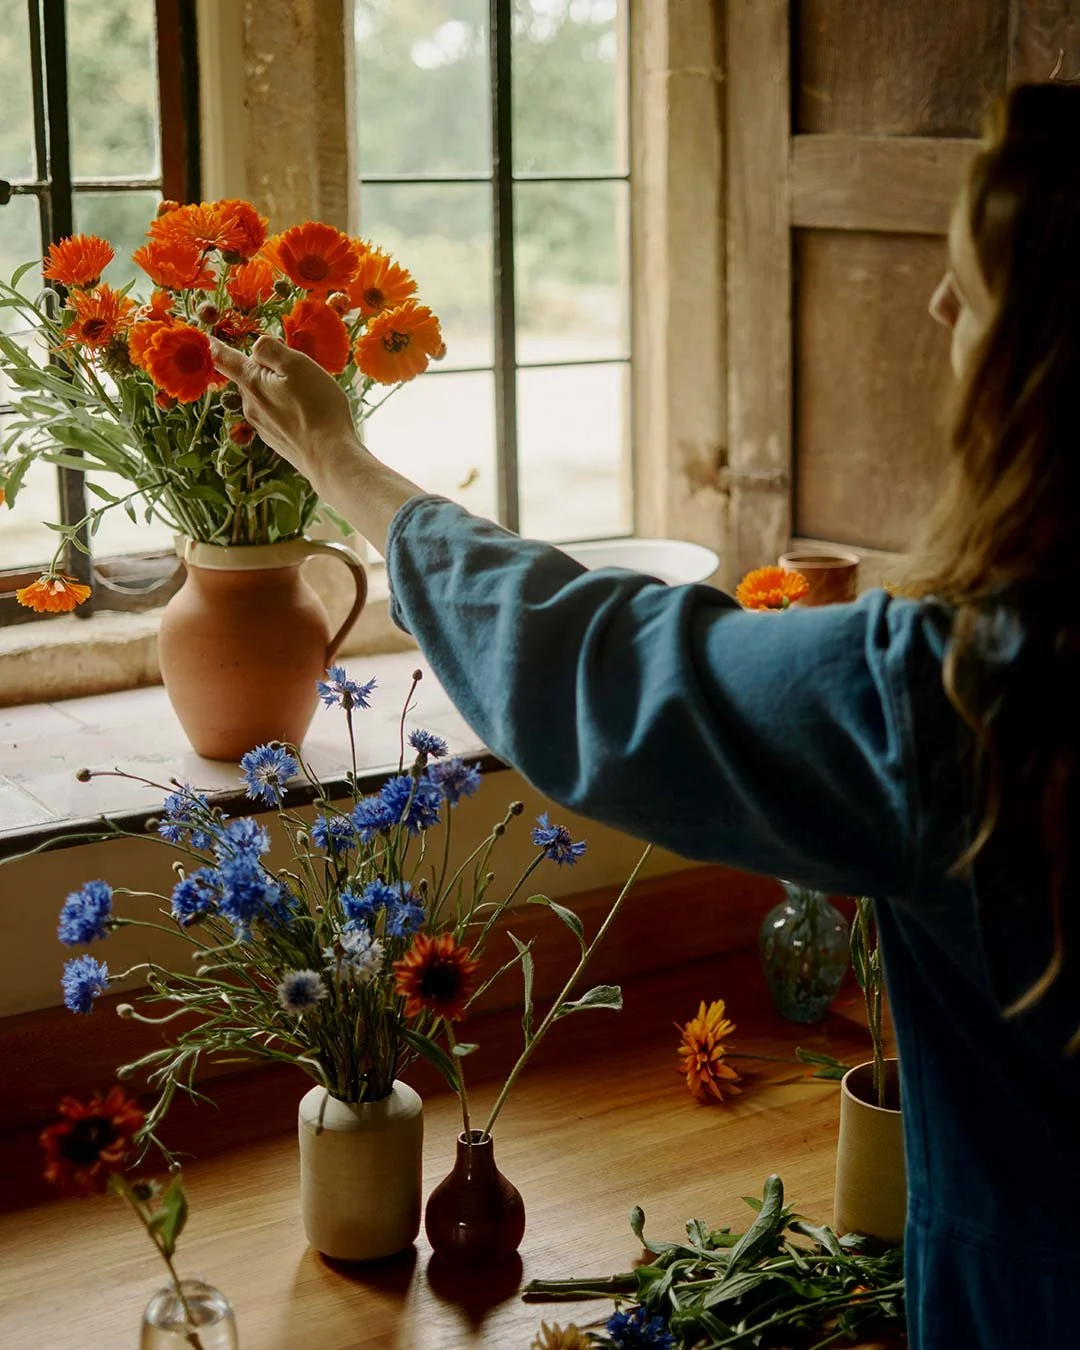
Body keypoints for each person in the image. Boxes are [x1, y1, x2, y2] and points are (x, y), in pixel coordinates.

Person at [210, 80, 1080, 1350]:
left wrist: (340, 461)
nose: (937, 305)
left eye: (972, 286)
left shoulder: (970, 699)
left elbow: (606, 673)